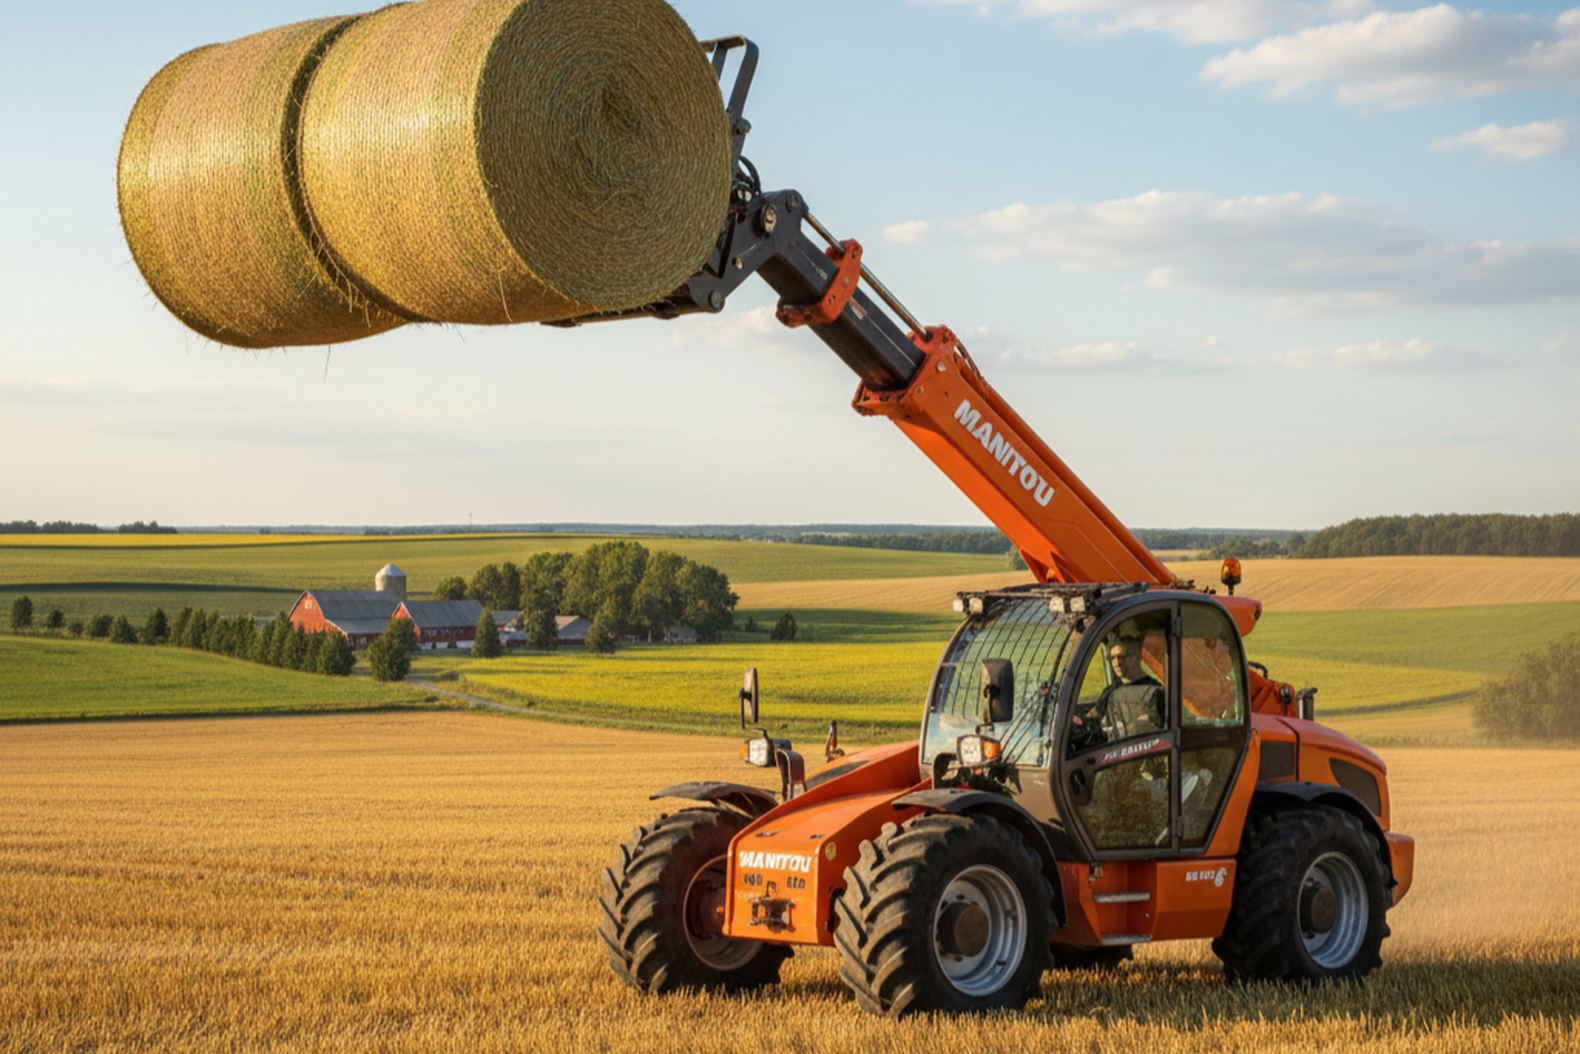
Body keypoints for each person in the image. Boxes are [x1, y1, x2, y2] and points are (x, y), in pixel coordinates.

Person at [1094, 633, 1165, 741]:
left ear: (1136, 656)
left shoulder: (1155, 692)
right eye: (1112, 658)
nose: (1116, 663)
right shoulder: (1110, 691)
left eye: (1121, 657)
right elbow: (1094, 716)